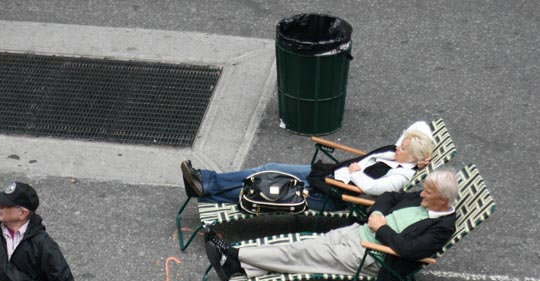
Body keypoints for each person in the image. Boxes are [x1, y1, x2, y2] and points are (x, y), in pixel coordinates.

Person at [205, 168, 458, 281]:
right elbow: (390, 196)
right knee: (304, 247)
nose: (421, 195)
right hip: (356, 232)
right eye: (423, 191)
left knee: (298, 253)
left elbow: (409, 249)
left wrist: (381, 228)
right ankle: (237, 268)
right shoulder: (423, 198)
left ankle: (234, 253)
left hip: (369, 255)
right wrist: (377, 213)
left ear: (443, 200)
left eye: (427, 194)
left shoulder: (442, 228)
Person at [181, 121, 434, 210]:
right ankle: (207, 182)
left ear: (411, 157)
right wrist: (424, 152)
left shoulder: (400, 175)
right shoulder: (398, 154)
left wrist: (356, 174)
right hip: (326, 175)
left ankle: (206, 192)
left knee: (264, 189)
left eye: (403, 147)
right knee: (268, 168)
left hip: (331, 192)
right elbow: (418, 126)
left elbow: (375, 189)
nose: (397, 145)